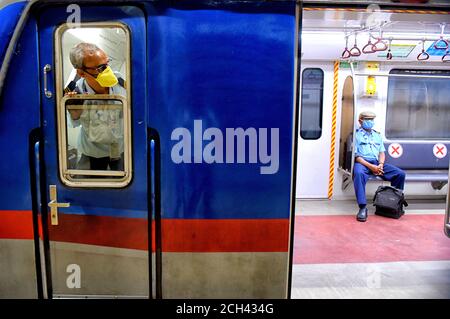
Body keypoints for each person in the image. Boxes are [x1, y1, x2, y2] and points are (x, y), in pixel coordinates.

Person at [66, 43, 126, 172]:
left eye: (107, 63)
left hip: (120, 149)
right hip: (92, 152)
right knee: (88, 189)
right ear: (81, 72)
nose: (107, 70)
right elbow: (74, 122)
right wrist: (74, 109)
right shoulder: (76, 92)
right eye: (100, 68)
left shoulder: (120, 81)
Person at [353, 111, 406, 222]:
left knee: (400, 174)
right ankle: (362, 208)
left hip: (376, 163)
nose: (370, 122)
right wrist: (372, 167)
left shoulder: (377, 135)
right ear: (360, 121)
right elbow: (356, 156)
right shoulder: (355, 135)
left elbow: (381, 153)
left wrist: (380, 165)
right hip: (363, 163)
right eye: (367, 120)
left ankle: (395, 203)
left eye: (372, 120)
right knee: (358, 173)